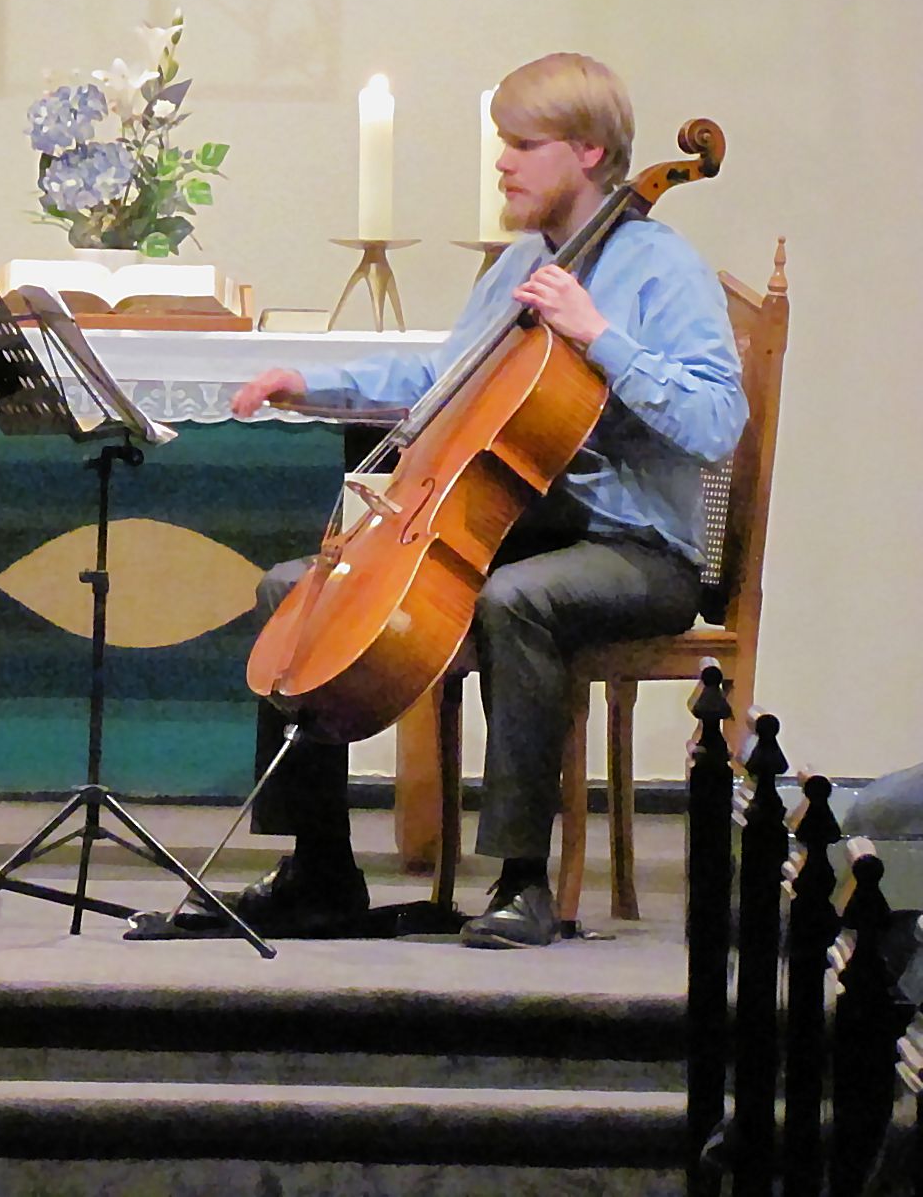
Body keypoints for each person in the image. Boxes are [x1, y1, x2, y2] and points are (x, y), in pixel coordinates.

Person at [226, 52, 747, 948]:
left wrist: (599, 335)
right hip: (519, 526)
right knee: (296, 589)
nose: (502, 163)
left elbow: (715, 421)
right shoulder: (519, 266)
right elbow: (441, 377)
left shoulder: (662, 269)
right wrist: (309, 384)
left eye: (522, 145)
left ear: (588, 152)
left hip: (637, 550)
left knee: (518, 600)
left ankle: (521, 880)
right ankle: (320, 870)